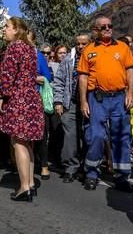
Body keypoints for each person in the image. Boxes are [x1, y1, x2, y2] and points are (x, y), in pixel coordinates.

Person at [78, 16, 133, 192]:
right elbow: (83, 77)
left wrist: (130, 93)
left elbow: (130, 70)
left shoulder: (123, 47)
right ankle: (92, 174)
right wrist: (83, 101)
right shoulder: (88, 50)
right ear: (96, 30)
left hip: (119, 98)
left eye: (110, 26)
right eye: (103, 27)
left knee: (122, 137)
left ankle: (121, 177)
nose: (108, 29)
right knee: (96, 136)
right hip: (97, 99)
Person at [0, 17, 44, 202]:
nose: (4, 30)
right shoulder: (30, 48)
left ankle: (24, 187)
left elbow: (8, 76)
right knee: (27, 142)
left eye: (7, 27)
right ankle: (30, 183)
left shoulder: (14, 48)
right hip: (31, 97)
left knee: (18, 142)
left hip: (19, 99)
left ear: (16, 30)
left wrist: (2, 96)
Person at [53, 32, 90, 183]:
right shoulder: (68, 59)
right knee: (70, 136)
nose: (80, 46)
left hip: (90, 103)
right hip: (71, 103)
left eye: (84, 44)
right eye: (78, 44)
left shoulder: (95, 57)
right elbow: (59, 81)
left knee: (88, 135)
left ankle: (87, 168)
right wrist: (58, 102)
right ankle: (70, 167)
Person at [33, 37, 54, 181]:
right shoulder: (15, 54)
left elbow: (47, 77)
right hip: (20, 101)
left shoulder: (38, 56)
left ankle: (44, 165)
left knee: (41, 133)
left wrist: (33, 78)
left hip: (37, 99)